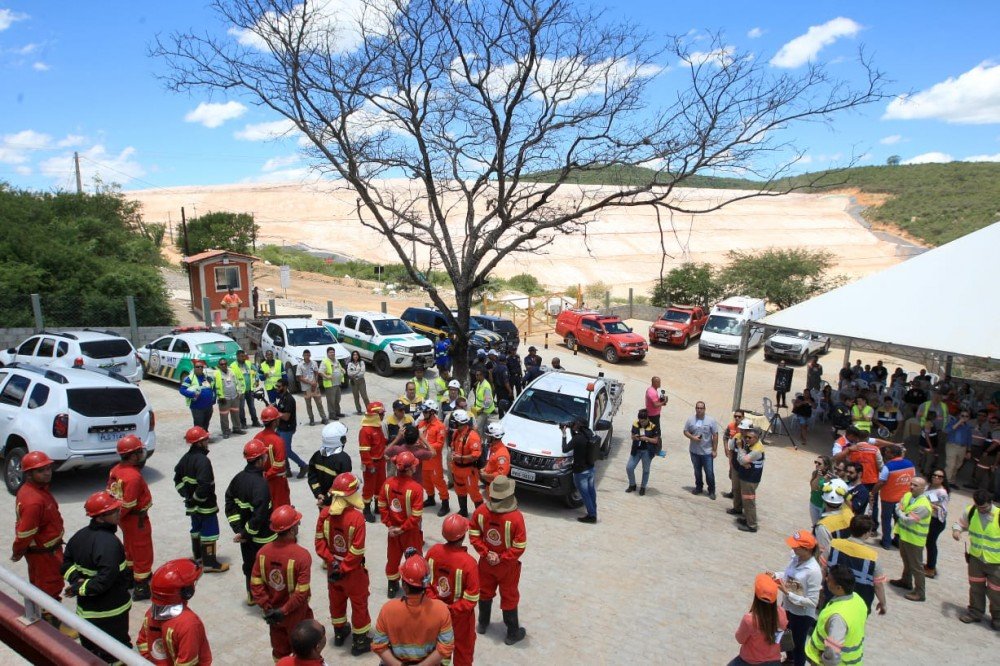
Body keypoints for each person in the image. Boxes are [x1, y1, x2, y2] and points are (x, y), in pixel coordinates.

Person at [62, 491, 133, 661]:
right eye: (114, 511)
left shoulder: (79, 536)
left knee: (90, 652)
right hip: (112, 612)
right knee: (117, 652)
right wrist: (81, 587)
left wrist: (76, 581)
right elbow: (105, 580)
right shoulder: (110, 543)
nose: (119, 513)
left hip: (86, 612)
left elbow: (66, 564)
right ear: (100, 518)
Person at [12, 451, 77, 637]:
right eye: (41, 470)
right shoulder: (33, 500)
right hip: (44, 553)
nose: (48, 472)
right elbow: (25, 532)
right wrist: (18, 551)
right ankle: (51, 625)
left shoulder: (36, 491)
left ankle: (50, 616)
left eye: (48, 468)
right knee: (49, 586)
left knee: (47, 584)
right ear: (29, 474)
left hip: (47, 550)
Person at [314, 473, 372, 656]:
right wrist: (345, 567)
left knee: (336, 600)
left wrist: (333, 563)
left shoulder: (325, 514)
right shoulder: (356, 519)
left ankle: (339, 633)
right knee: (359, 603)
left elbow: (319, 544)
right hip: (352, 572)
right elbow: (357, 550)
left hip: (333, 570)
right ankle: (360, 642)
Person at [251, 506, 314, 662]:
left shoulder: (263, 552)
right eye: (297, 524)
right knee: (303, 651)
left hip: (273, 614)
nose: (298, 526)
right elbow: (301, 592)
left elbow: (255, 583)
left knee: (279, 651)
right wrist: (284, 610)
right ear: (291, 530)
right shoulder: (302, 555)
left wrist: (267, 608)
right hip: (296, 614)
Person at [470, 476, 527, 645]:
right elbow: (520, 545)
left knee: (484, 592)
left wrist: (486, 553)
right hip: (507, 567)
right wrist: (502, 558)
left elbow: (473, 535)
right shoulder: (516, 518)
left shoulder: (480, 511)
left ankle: (482, 623)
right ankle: (512, 633)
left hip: (485, 564)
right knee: (509, 596)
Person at [372, 553, 455, 665]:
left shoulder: (388, 609)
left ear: (404, 586)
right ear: (426, 584)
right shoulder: (441, 610)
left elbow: (379, 645)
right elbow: (446, 647)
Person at [225, 439, 276, 604]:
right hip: (263, 537)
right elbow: (260, 515)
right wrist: (247, 532)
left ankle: (252, 596)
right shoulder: (261, 485)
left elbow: (229, 503)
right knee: (266, 567)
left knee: (249, 566)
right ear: (260, 459)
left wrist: (239, 530)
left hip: (245, 537)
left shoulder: (237, 479)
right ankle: (265, 599)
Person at [173, 427, 230, 573]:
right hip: (205, 505)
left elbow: (177, 479)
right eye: (205, 439)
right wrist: (197, 499)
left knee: (196, 530)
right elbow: (205, 484)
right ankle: (210, 563)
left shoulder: (185, 459)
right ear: (199, 443)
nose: (207, 441)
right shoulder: (203, 461)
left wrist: (186, 495)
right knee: (209, 533)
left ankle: (198, 559)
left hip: (192, 507)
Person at [427, 515, 481, 666]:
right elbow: (471, 599)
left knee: (439, 646)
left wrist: (437, 604)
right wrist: (451, 609)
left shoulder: (433, 552)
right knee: (464, 649)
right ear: (464, 535)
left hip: (434, 613)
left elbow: (425, 583)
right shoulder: (469, 563)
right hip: (461, 619)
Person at [136, 559, 212, 666]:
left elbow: (142, 643)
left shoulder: (150, 614)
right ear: (187, 592)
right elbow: (187, 663)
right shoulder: (189, 624)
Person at [107, 434, 154, 601]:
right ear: (133, 455)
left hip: (124, 519)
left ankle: (130, 577)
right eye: (139, 452)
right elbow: (129, 502)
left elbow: (111, 495)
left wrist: (116, 518)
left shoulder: (116, 470)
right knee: (142, 550)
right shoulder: (133, 477)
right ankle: (142, 585)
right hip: (136, 520)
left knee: (130, 548)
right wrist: (119, 516)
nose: (141, 455)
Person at [772, 530, 822, 666]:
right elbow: (788, 574)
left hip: (802, 615)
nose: (792, 548)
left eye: (796, 546)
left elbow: (812, 602)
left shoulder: (813, 571)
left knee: (798, 645)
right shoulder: (795, 557)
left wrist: (788, 594)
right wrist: (776, 575)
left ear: (806, 549)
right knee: (784, 635)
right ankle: (789, 659)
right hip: (787, 607)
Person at [952, 489, 1000, 628]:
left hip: (996, 562)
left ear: (991, 502)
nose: (981, 510)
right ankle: (975, 612)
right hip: (976, 558)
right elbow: (960, 523)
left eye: (984, 507)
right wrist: (957, 531)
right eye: (979, 507)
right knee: (976, 587)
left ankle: (997, 618)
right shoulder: (971, 511)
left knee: (996, 591)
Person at [380, 451, 425, 598]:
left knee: (392, 559)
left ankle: (392, 588)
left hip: (393, 531)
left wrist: (390, 525)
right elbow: (416, 516)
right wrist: (403, 528)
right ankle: (416, 588)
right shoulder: (416, 488)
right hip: (410, 532)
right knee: (414, 561)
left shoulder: (387, 484)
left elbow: (382, 505)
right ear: (411, 469)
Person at [804, 565, 869, 666]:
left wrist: (825, 659)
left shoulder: (837, 617)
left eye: (829, 580)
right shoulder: (857, 599)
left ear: (839, 588)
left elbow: (832, 651)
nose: (826, 580)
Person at [827, 515, 888, 615]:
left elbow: (822, 568)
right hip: (858, 605)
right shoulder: (872, 557)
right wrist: (883, 603)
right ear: (867, 533)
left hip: (832, 597)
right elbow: (878, 585)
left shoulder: (833, 544)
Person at [889, 476, 932, 602]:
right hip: (904, 535)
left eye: (915, 485)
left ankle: (920, 592)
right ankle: (906, 581)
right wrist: (902, 513)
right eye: (911, 484)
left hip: (915, 539)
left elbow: (909, 520)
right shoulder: (908, 495)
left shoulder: (924, 506)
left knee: (916, 566)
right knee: (906, 561)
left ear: (923, 489)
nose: (911, 487)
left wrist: (901, 513)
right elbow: (898, 506)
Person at [729, 573, 787, 666]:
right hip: (774, 661)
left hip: (749, 661)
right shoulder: (782, 613)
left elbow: (740, 639)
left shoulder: (749, 620)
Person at [870, 445, 914, 549]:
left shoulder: (888, 466)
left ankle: (886, 542)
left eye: (888, 452)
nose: (886, 453)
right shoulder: (910, 464)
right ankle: (898, 541)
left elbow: (881, 482)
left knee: (886, 520)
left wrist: (873, 492)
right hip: (904, 499)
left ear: (893, 454)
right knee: (899, 520)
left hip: (888, 499)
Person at [729, 427, 765, 533]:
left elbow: (741, 460)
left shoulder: (757, 450)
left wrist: (740, 448)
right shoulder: (753, 445)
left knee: (749, 502)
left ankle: (752, 525)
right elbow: (743, 461)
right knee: (746, 501)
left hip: (750, 480)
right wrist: (744, 461)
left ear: (756, 438)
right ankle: (747, 519)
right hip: (747, 478)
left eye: (749, 437)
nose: (747, 439)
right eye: (746, 437)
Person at [562, 419, 598, 523]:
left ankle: (592, 516)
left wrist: (564, 434)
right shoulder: (590, 433)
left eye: (575, 423)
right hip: (590, 468)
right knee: (591, 492)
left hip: (581, 471)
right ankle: (593, 511)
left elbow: (565, 449)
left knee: (585, 494)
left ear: (579, 425)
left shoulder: (578, 439)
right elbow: (576, 440)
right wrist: (572, 429)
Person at [309, 421, 353, 505]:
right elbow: (342, 484)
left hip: (322, 501)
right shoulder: (343, 459)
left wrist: (318, 494)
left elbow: (312, 477)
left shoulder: (316, 455)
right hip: (338, 503)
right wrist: (327, 498)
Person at [450, 409, 484, 518]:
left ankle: (480, 517)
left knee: (474, 493)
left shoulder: (473, 436)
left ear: (460, 423)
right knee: (460, 491)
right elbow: (453, 446)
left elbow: (476, 455)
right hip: (457, 468)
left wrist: (461, 457)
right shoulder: (456, 433)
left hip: (469, 471)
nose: (452, 423)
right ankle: (463, 511)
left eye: (454, 421)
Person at [257, 404, 292, 507]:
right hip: (277, 481)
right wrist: (268, 475)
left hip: (262, 479)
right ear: (275, 422)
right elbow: (279, 464)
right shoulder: (278, 441)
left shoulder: (257, 437)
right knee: (281, 507)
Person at [421, 400, 451, 516]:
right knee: (426, 481)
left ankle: (445, 504)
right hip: (424, 460)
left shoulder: (440, 426)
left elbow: (439, 445)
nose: (423, 414)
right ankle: (430, 498)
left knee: (438, 481)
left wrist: (425, 445)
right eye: (423, 411)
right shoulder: (422, 424)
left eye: (426, 411)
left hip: (434, 461)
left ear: (432, 412)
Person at [684, 401, 719, 500]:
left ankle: (711, 491)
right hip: (694, 451)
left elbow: (715, 435)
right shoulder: (691, 420)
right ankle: (699, 487)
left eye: (701, 408)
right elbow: (685, 431)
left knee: (709, 472)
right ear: (695, 409)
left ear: (704, 409)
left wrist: (714, 450)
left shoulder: (711, 420)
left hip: (707, 452)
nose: (699, 410)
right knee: (697, 471)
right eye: (698, 408)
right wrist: (693, 437)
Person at [360, 401, 388, 523]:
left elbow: (381, 442)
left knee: (380, 485)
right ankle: (366, 510)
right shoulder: (365, 431)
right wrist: (369, 465)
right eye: (381, 414)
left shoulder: (378, 427)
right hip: (371, 464)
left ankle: (377, 507)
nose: (383, 416)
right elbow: (364, 451)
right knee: (369, 487)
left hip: (381, 462)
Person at [814, 479, 854, 565]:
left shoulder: (823, 526)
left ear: (824, 500)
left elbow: (823, 553)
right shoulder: (849, 513)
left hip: (832, 566)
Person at [275, 378, 309, 479]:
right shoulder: (282, 397)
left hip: (287, 429)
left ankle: (303, 465)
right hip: (281, 428)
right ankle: (287, 469)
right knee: (280, 449)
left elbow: (286, 416)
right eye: (277, 386)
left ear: (285, 387)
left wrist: (275, 412)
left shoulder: (289, 399)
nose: (277, 388)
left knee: (287, 450)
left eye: (279, 386)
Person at [626, 409, 661, 496]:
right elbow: (632, 436)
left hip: (647, 451)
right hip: (636, 449)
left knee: (645, 470)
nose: (641, 423)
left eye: (643, 421)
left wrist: (646, 439)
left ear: (647, 419)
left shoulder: (653, 426)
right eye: (640, 421)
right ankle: (632, 484)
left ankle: (643, 487)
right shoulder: (635, 424)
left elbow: (656, 440)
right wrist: (635, 437)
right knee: (629, 467)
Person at [923, 469, 949, 579]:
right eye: (934, 475)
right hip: (928, 519)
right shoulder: (929, 487)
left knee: (931, 543)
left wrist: (928, 504)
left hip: (936, 521)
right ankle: (930, 565)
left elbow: (942, 509)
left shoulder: (942, 492)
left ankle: (931, 568)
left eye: (940, 476)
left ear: (943, 479)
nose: (936, 477)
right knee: (928, 543)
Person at [212, 358, 245, 438]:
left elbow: (237, 382)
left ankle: (237, 428)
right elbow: (213, 386)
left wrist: (239, 391)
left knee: (235, 414)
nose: (223, 365)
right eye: (221, 364)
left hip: (234, 397)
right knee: (224, 416)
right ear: (218, 365)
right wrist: (219, 397)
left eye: (225, 364)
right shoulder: (216, 374)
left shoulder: (232, 371)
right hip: (224, 399)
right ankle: (226, 431)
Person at [180, 360, 215, 431]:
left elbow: (213, 387)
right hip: (197, 407)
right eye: (197, 367)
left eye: (201, 367)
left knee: (206, 423)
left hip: (208, 406)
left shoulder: (207, 377)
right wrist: (192, 394)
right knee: (198, 425)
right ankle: (199, 440)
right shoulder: (190, 378)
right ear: (194, 368)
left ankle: (205, 438)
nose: (199, 368)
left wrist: (214, 398)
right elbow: (182, 390)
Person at [297, 350, 328, 426]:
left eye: (308, 355)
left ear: (310, 355)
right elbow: (299, 377)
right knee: (308, 405)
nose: (307, 356)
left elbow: (316, 373)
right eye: (305, 355)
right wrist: (310, 383)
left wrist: (315, 383)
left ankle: (324, 418)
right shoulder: (300, 365)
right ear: (303, 355)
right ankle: (311, 419)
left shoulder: (313, 363)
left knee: (319, 403)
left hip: (315, 387)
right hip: (306, 388)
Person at [944, 409, 975, 484]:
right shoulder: (953, 422)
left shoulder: (968, 427)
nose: (964, 417)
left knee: (957, 465)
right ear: (959, 416)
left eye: (966, 416)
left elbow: (969, 439)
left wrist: (969, 451)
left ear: (968, 418)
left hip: (963, 448)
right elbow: (946, 431)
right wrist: (958, 423)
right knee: (950, 464)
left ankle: (951, 480)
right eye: (962, 415)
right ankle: (946, 481)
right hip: (952, 446)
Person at [234, 349, 262, 429]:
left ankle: (255, 421)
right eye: (241, 357)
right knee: (241, 408)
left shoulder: (248, 363)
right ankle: (243, 423)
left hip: (250, 390)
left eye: (244, 356)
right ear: (237, 357)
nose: (243, 358)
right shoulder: (233, 366)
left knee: (252, 407)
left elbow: (256, 371)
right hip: (240, 391)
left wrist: (257, 379)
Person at [320, 346, 345, 420]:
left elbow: (339, 368)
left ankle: (337, 412)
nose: (332, 353)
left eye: (333, 352)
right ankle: (332, 414)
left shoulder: (336, 360)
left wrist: (342, 369)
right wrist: (327, 377)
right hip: (330, 384)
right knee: (331, 401)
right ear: (327, 353)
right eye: (330, 352)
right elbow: (320, 372)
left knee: (337, 399)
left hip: (337, 383)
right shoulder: (325, 361)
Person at [471, 367, 496, 433]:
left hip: (484, 411)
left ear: (482, 375)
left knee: (477, 428)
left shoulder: (486, 386)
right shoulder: (479, 383)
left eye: (477, 375)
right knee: (481, 427)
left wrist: (481, 410)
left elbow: (488, 401)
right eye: (476, 375)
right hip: (478, 409)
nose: (476, 376)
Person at [808, 456, 833, 525]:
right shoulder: (815, 473)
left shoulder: (831, 477)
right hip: (813, 502)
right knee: (815, 525)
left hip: (824, 507)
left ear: (826, 466)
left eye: (819, 463)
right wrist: (819, 478)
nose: (816, 465)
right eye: (816, 462)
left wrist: (825, 479)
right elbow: (813, 488)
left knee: (822, 526)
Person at [346, 350, 370, 415]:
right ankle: (358, 410)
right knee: (356, 396)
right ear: (352, 356)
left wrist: (354, 374)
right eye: (354, 355)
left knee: (364, 396)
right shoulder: (350, 364)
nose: (355, 356)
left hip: (361, 381)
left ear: (358, 356)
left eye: (356, 355)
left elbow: (362, 372)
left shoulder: (361, 362)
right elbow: (349, 373)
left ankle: (369, 409)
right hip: (353, 382)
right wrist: (357, 371)